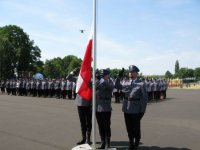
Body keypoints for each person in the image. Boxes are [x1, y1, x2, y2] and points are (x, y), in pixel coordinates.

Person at [122, 65, 148, 150]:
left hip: (136, 109)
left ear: (136, 73)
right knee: (128, 127)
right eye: (129, 72)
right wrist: (119, 77)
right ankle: (130, 142)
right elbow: (118, 87)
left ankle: (136, 141)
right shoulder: (126, 82)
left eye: (132, 72)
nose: (130, 73)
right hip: (126, 108)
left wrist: (143, 110)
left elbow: (144, 98)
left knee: (136, 127)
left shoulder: (141, 84)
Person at [96, 69, 114, 149]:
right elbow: (89, 84)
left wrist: (101, 79)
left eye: (104, 75)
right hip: (98, 107)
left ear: (107, 75)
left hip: (106, 107)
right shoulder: (98, 82)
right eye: (101, 75)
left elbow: (109, 87)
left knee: (106, 126)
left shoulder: (109, 82)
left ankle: (108, 143)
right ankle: (103, 143)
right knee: (100, 126)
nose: (102, 77)